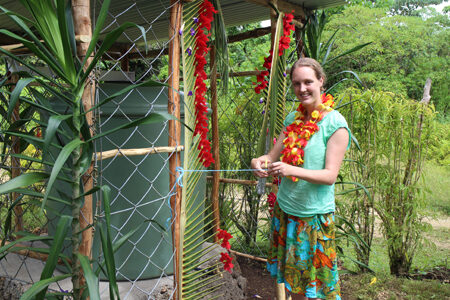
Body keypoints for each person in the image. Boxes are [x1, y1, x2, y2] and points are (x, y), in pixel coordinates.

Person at [251, 58, 350, 300]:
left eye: (308, 82)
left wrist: (291, 170)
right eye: (296, 83)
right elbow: (271, 156)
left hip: (313, 218)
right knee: (293, 284)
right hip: (286, 211)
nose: (302, 89)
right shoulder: (292, 119)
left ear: (321, 81)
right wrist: (258, 162)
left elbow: (329, 176)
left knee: (315, 290)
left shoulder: (335, 124)